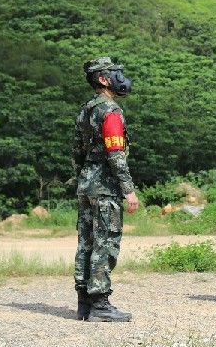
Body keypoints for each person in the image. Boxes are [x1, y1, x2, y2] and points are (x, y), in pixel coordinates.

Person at [72, 57, 140, 322]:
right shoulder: (110, 110)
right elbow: (115, 153)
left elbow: (76, 151)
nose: (120, 77)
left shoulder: (86, 109)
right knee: (105, 242)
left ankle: (84, 302)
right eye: (115, 73)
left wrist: (83, 179)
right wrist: (128, 189)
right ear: (103, 79)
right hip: (105, 186)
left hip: (87, 184)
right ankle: (100, 304)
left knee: (86, 242)